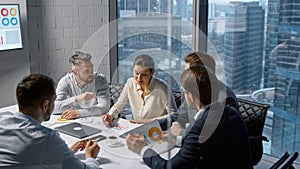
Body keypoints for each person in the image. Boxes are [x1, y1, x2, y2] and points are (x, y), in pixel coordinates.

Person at [126, 66, 253, 169]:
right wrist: (178, 139)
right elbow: (212, 144)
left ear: (191, 95)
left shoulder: (201, 125)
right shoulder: (231, 112)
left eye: (184, 91)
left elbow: (169, 167)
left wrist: (142, 149)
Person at [0, 74, 100, 169]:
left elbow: (24, 158)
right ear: (45, 105)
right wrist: (90, 157)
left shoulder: (2, 123)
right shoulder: (46, 138)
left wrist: (66, 153)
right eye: (54, 102)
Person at [103, 54, 177, 125]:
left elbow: (173, 115)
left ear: (152, 72)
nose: (139, 78)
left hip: (156, 129)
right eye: (136, 73)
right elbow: (118, 105)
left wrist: (149, 121)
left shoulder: (162, 87)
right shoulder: (130, 83)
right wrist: (111, 115)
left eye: (144, 75)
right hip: (135, 128)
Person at [54, 51, 110, 120]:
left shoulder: (100, 79)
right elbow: (54, 108)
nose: (91, 73)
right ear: (75, 72)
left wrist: (79, 113)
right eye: (87, 71)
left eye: (92, 68)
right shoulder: (65, 81)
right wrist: (76, 98)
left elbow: (104, 107)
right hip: (73, 122)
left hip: (95, 120)